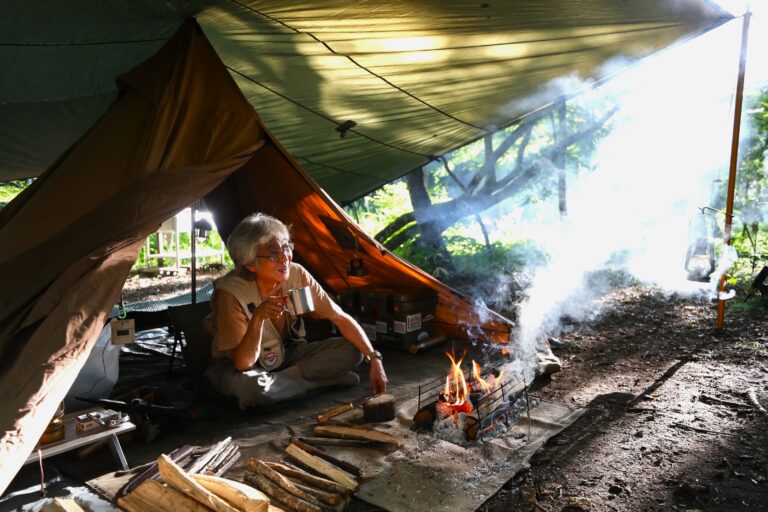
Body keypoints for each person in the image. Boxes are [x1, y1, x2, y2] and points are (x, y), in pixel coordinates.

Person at [205, 213, 388, 409]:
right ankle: (321, 383)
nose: (285, 258)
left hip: (287, 355)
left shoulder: (296, 274)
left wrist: (374, 359)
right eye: (273, 253)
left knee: (353, 351)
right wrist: (258, 318)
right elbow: (243, 363)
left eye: (286, 247)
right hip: (242, 367)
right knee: (252, 389)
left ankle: (283, 386)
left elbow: (340, 318)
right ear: (250, 263)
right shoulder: (231, 293)